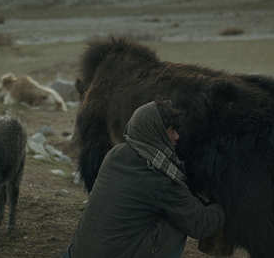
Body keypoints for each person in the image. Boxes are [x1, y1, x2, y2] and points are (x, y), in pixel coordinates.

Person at [63, 100, 225, 258]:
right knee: (177, 220)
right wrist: (224, 204)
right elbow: (200, 224)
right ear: (156, 132)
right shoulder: (160, 178)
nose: (176, 137)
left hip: (77, 253)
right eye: (171, 130)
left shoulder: (116, 154)